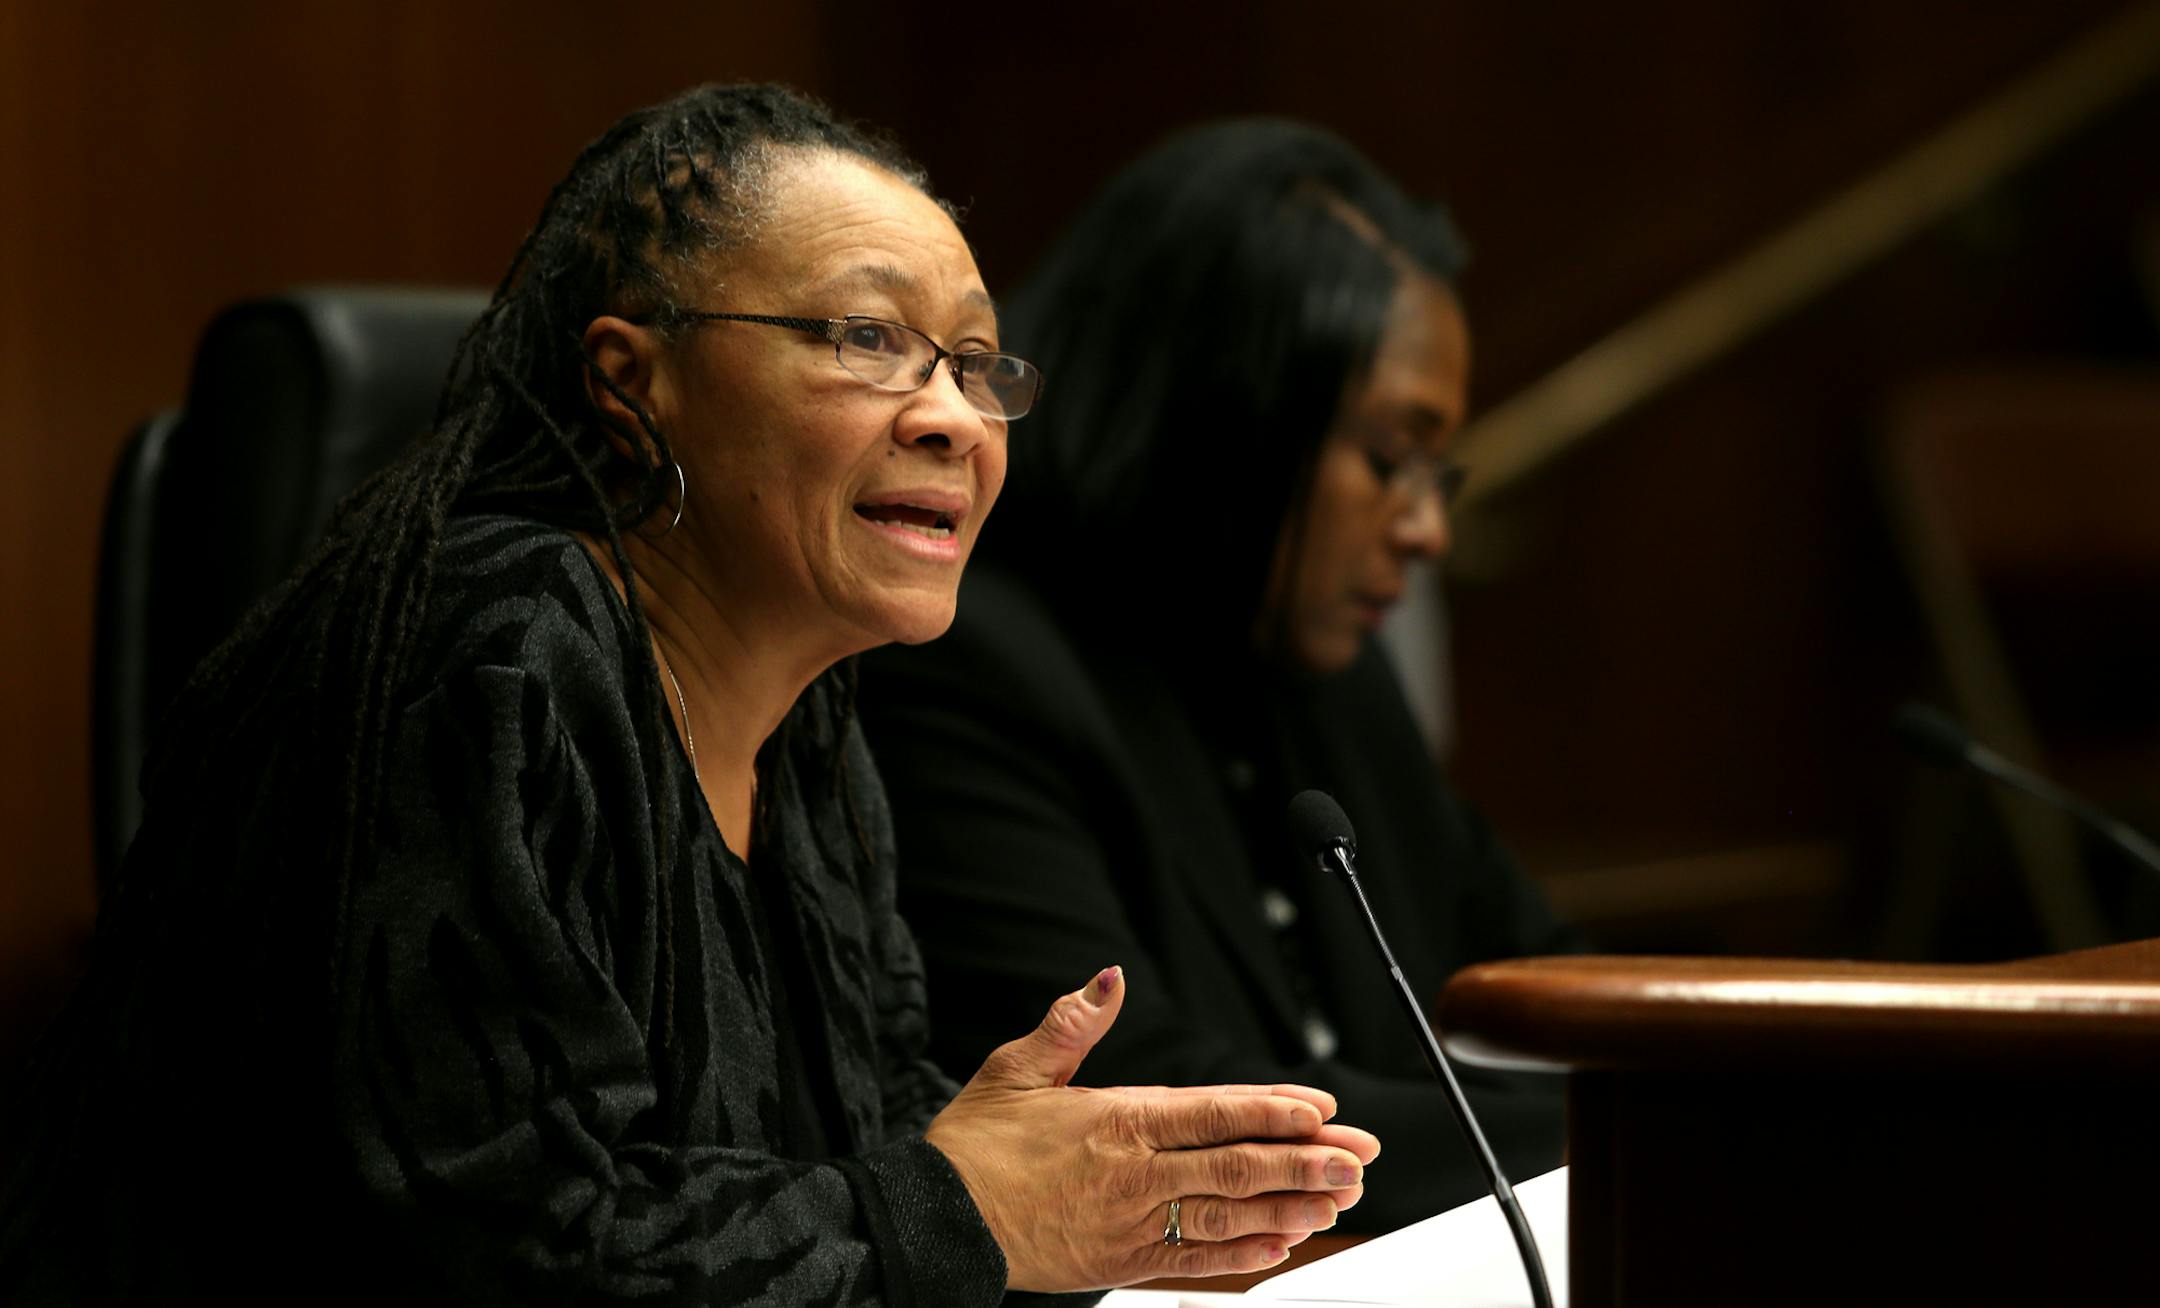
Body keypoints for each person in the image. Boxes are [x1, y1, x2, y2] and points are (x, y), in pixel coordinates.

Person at [0, 87, 1381, 1305]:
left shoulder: (814, 726)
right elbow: (504, 1252)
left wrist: (1072, 1205)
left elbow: (857, 1162)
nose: (953, 414)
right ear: (630, 382)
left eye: (975, 364)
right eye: (864, 335)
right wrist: (961, 1210)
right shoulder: (495, 653)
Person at [858, 119, 1580, 1234]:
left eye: (1440, 470)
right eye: (1392, 458)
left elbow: (1537, 975)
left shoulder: (1324, 666)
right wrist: (1643, 1126)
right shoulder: (960, 668)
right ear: (1224, 417)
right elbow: (1155, 1114)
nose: (1428, 530)